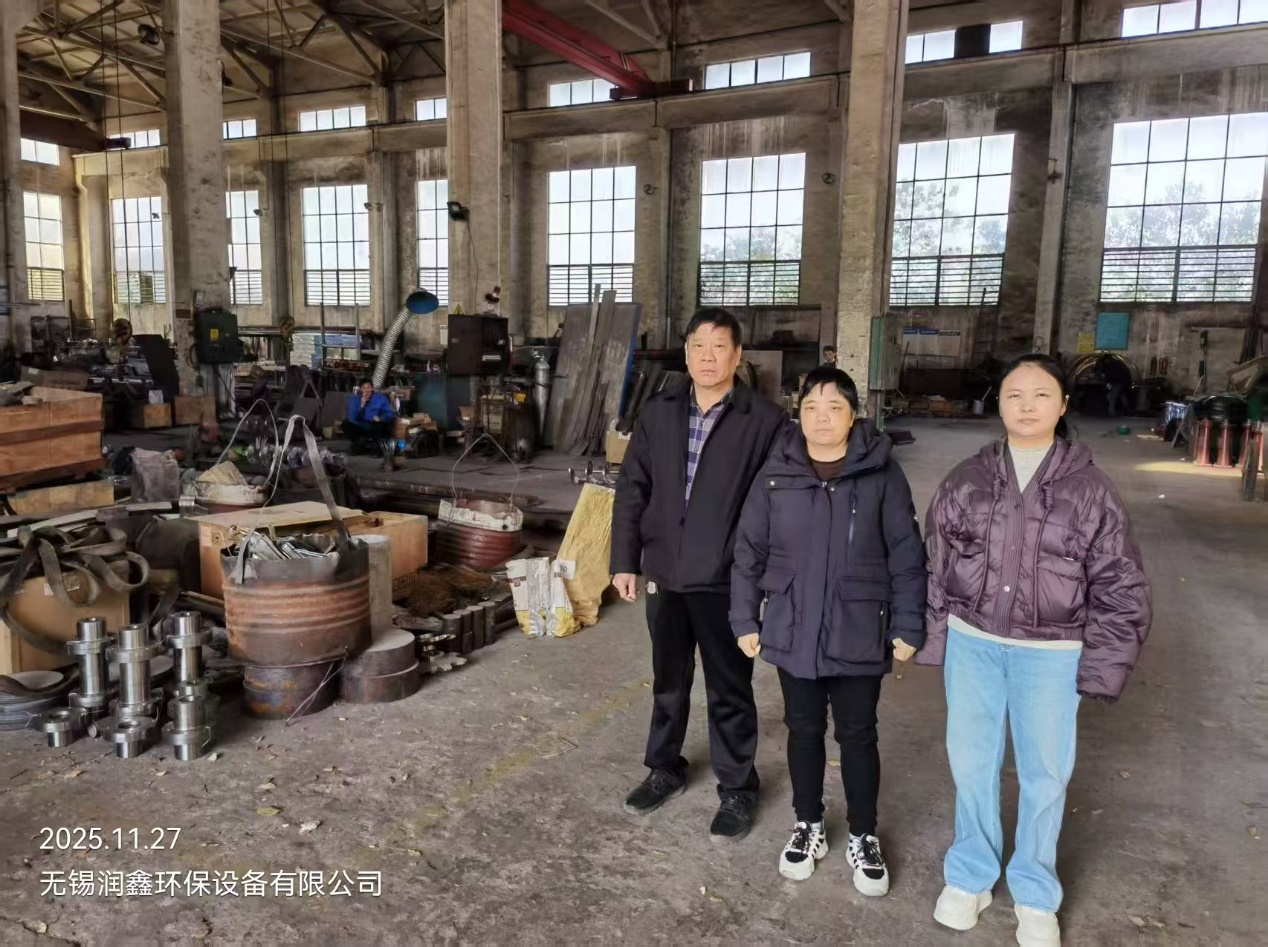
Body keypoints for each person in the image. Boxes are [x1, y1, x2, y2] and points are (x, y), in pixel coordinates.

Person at [918, 353, 1152, 946]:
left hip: (1051, 653)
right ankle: (970, 875)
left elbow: (1119, 581)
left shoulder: (1092, 490)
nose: (1027, 406)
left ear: (1063, 405)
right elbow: (935, 562)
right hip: (974, 644)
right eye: (1014, 395)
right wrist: (933, 636)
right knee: (972, 762)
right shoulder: (967, 480)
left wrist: (1101, 666)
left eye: (1041, 395)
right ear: (998, 403)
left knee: (1045, 772)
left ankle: (1034, 889)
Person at [730, 367, 926, 892]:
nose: (821, 418)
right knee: (803, 729)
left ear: (853, 415)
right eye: (811, 407)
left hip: (859, 626)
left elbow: (906, 555)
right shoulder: (776, 473)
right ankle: (808, 824)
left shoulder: (881, 474)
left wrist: (909, 622)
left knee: (858, 734)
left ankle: (864, 833)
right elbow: (749, 552)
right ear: (798, 413)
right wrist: (744, 617)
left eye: (834, 407)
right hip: (793, 624)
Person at [611, 307, 788, 840]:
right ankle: (664, 767)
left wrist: (758, 576)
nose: (707, 357)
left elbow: (773, 505)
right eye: (698, 346)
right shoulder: (659, 411)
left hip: (725, 579)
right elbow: (633, 488)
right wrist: (625, 560)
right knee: (669, 680)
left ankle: (737, 787)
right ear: (686, 352)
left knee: (730, 686)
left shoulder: (764, 420)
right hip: (664, 571)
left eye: (719, 347)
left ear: (737, 356)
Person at [344, 379, 396, 449]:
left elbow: (390, 414)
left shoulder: (381, 398)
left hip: (376, 425)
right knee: (346, 423)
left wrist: (381, 418)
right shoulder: (356, 399)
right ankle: (359, 443)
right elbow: (354, 418)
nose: (366, 390)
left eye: (369, 387)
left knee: (377, 425)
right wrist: (362, 405)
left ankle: (376, 446)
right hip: (363, 425)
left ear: (372, 388)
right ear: (361, 389)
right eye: (364, 388)